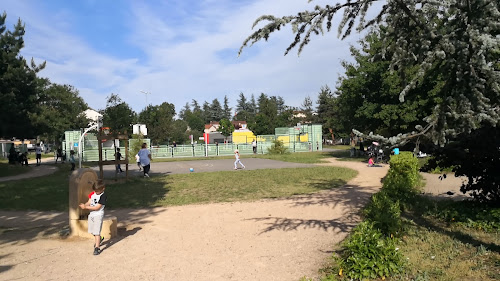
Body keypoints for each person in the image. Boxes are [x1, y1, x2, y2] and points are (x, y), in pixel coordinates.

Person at [79, 180, 107, 256]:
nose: (96, 192)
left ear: (103, 189)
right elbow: (89, 201)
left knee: (97, 232)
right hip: (91, 215)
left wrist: (86, 207)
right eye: (95, 190)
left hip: (98, 215)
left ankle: (97, 247)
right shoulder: (93, 194)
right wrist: (85, 205)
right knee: (92, 231)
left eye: (97, 191)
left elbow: (97, 207)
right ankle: (100, 239)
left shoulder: (103, 196)